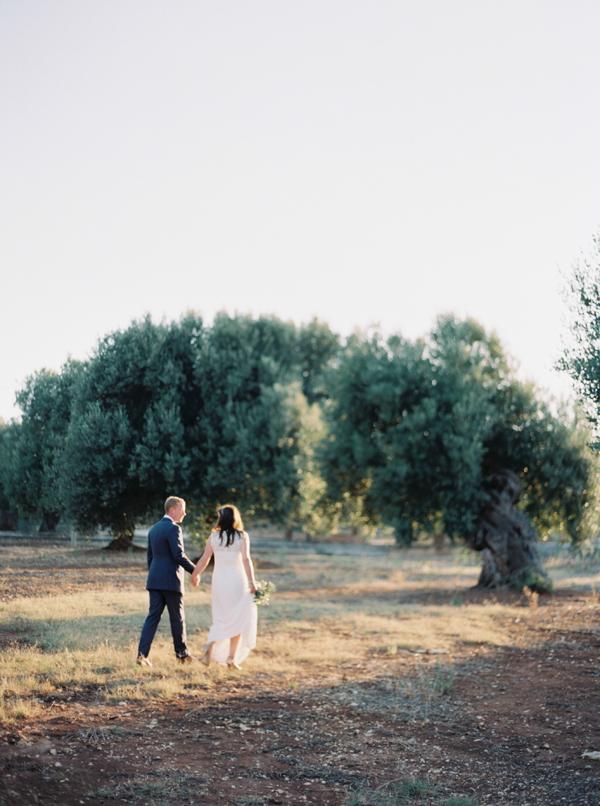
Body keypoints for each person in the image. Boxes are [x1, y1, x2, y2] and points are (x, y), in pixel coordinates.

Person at [191, 504, 257, 669]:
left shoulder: (214, 536)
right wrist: (252, 581)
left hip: (219, 581)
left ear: (221, 518)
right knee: (238, 618)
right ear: (236, 519)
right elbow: (246, 560)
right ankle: (231, 659)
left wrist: (195, 574)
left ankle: (210, 650)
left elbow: (205, 558)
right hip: (237, 581)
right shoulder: (242, 536)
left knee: (220, 617)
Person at [137, 496, 199, 666]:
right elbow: (178, 555)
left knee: (152, 618)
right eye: (182, 509)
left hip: (155, 580)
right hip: (171, 581)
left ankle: (142, 656)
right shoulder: (174, 529)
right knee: (177, 618)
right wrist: (195, 570)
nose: (185, 513)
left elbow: (150, 559)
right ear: (172, 509)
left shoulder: (153, 529)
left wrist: (156, 575)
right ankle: (182, 654)